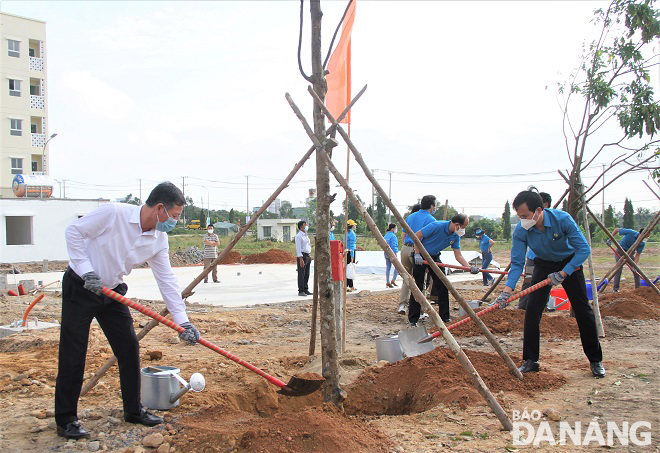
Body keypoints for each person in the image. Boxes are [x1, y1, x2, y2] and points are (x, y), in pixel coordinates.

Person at [56, 182, 201, 439]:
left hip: (112, 292)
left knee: (129, 348)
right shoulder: (114, 214)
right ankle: (66, 420)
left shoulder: (159, 239)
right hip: (81, 287)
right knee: (74, 352)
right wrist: (86, 269)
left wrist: (183, 323)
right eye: (175, 216)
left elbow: (166, 281)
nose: (175, 222)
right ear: (159, 209)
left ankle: (134, 410)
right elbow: (74, 232)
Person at [492, 187, 604, 378]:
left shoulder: (562, 220)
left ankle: (595, 361)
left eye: (525, 215)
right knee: (532, 310)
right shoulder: (521, 230)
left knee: (583, 311)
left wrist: (564, 273)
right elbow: (518, 263)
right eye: (519, 216)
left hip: (570, 264)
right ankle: (530, 360)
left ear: (539, 210)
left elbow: (584, 249)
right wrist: (507, 291)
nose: (522, 220)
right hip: (543, 264)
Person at [409, 213, 479, 326]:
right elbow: (417, 235)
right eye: (463, 227)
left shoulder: (455, 236)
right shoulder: (436, 226)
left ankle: (445, 318)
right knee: (418, 286)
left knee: (443, 285)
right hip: (420, 255)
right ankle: (413, 319)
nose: (463, 230)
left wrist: (469, 267)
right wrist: (417, 253)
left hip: (434, 257)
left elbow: (458, 255)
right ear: (457, 225)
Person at [518, 191, 552, 309]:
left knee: (545, 285)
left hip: (550, 261)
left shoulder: (554, 221)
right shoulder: (524, 227)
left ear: (545, 205)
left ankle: (543, 307)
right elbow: (517, 260)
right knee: (529, 283)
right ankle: (522, 309)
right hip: (533, 259)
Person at [398, 200, 433, 315]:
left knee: (406, 279)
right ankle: (421, 310)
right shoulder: (431, 220)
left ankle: (402, 305)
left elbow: (403, 235)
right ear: (432, 206)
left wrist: (407, 246)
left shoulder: (410, 217)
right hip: (418, 251)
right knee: (420, 280)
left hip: (405, 249)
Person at [611, 227, 650, 292]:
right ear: (641, 234)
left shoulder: (642, 243)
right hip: (620, 251)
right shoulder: (631, 232)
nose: (646, 239)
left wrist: (635, 265)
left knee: (636, 270)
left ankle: (638, 289)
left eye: (647, 237)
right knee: (618, 269)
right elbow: (617, 230)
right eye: (646, 237)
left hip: (630, 254)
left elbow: (637, 255)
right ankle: (615, 289)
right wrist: (610, 239)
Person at [295, 220, 312, 297]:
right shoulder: (299, 236)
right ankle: (301, 290)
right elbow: (298, 248)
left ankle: (305, 289)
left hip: (307, 255)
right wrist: (301, 259)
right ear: (301, 227)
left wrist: (309, 255)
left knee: (307, 274)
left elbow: (308, 246)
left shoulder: (306, 235)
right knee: (301, 274)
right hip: (302, 256)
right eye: (305, 225)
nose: (306, 226)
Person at [383, 223, 399, 288]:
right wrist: (395, 253)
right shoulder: (393, 236)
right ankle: (394, 279)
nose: (396, 229)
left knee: (388, 268)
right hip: (392, 252)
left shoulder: (386, 236)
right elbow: (394, 245)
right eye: (395, 228)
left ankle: (388, 281)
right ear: (392, 229)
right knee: (397, 267)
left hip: (386, 252)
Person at [345, 219, 357, 292]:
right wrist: (352, 256)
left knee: (347, 268)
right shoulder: (352, 234)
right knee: (350, 268)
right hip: (350, 252)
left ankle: (349, 285)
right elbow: (352, 245)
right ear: (352, 226)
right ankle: (350, 285)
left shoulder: (346, 233)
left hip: (346, 251)